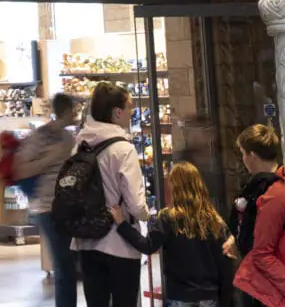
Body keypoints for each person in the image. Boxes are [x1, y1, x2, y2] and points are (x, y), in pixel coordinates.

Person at [70, 83, 150, 307]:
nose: (132, 113)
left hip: (86, 240)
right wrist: (146, 216)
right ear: (117, 113)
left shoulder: (80, 146)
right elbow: (136, 206)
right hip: (120, 243)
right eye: (130, 108)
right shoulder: (123, 149)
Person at [112, 161, 229, 307]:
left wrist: (122, 223)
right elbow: (224, 261)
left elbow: (147, 246)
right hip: (210, 295)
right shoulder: (214, 219)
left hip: (181, 294)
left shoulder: (168, 218)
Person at [17, 91, 83, 305]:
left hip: (64, 206)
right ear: (65, 110)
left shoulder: (67, 137)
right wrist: (52, 157)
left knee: (68, 264)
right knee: (64, 264)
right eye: (74, 109)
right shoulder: (42, 136)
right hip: (47, 208)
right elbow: (20, 169)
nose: (77, 113)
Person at [224, 124, 285, 307]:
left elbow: (262, 252)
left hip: (269, 284)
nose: (243, 159)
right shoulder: (280, 184)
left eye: (243, 153)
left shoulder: (273, 193)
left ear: (252, 155)